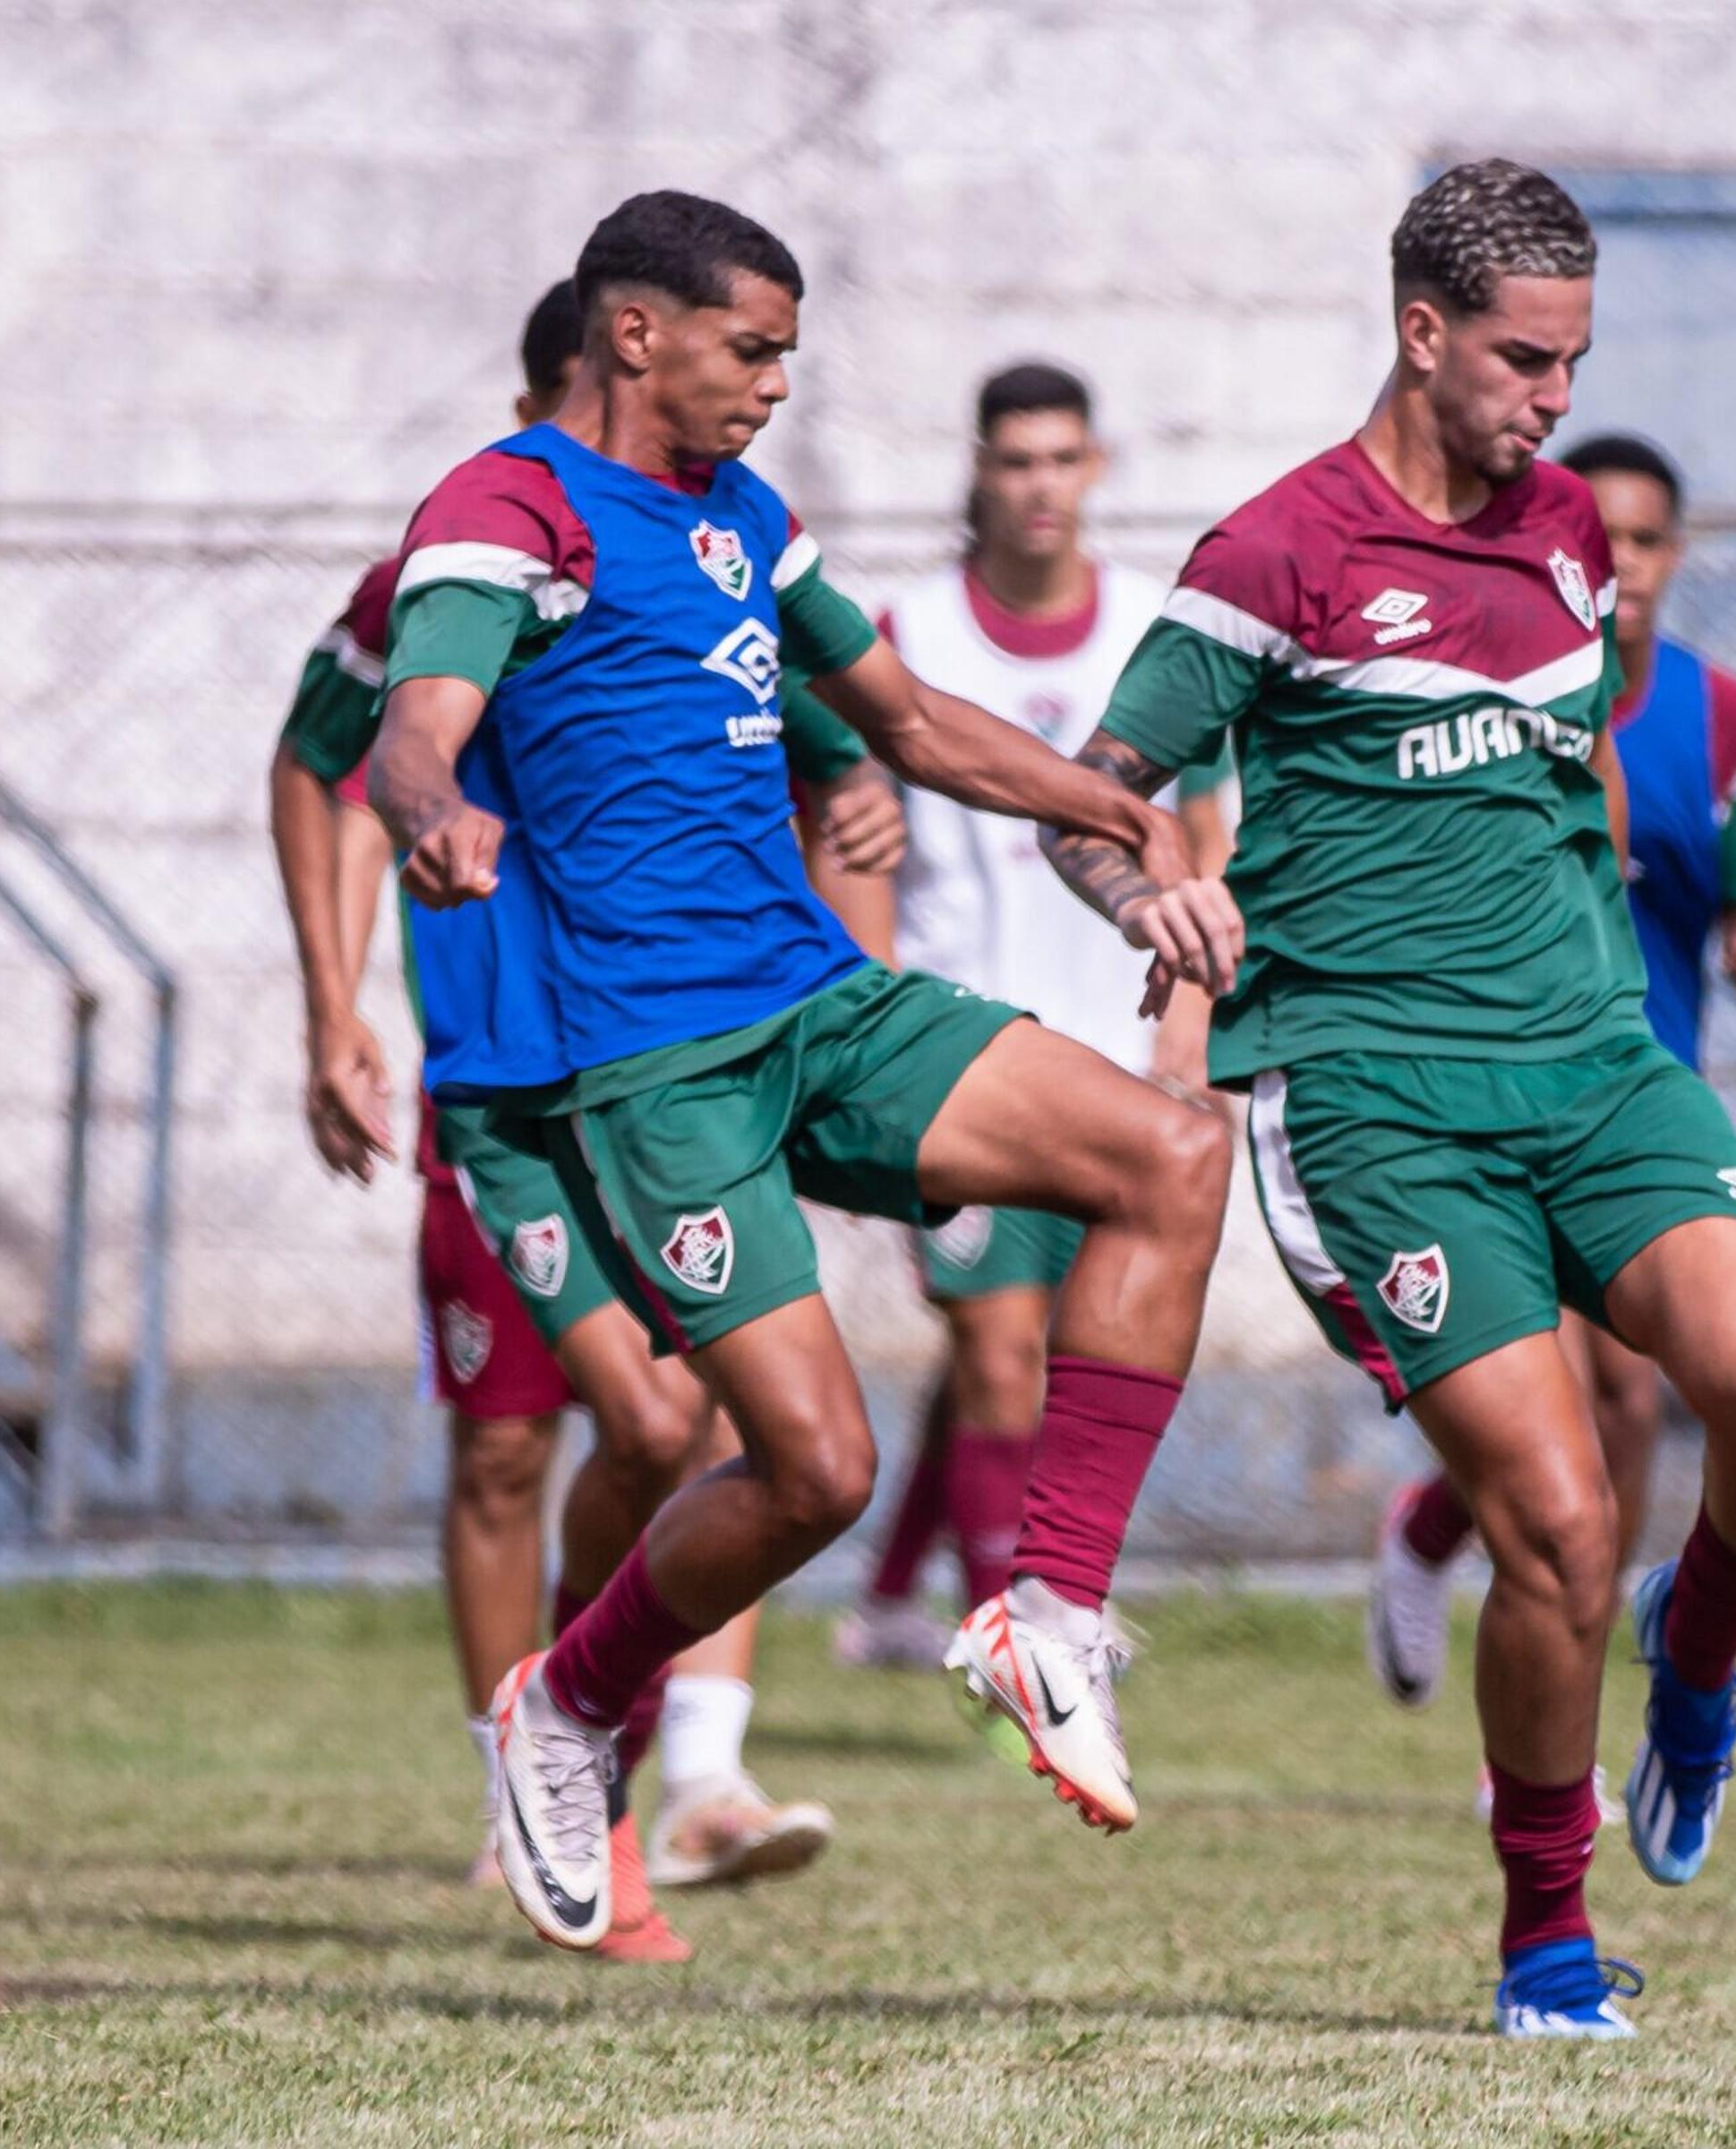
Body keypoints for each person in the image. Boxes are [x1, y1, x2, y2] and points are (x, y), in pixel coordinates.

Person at [363, 193, 1237, 1956]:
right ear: (634, 335)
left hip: (823, 1001)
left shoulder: (749, 517)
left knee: (1171, 1154)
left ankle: (1045, 1606)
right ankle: (569, 1705)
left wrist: (1122, 811)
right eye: (750, 347)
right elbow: (412, 727)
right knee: (813, 1471)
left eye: (787, 352)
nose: (775, 383)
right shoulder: (509, 507)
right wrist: (433, 807)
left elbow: (906, 724)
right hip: (653, 1068)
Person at [1052, 162, 1736, 2038]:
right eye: (1523, 360)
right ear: (1423, 332)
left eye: (1575, 362)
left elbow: (1575, 764)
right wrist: (1148, 885)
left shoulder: (1570, 531)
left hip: (1593, 1067)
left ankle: (1702, 1651)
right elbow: (1099, 788)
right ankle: (1546, 1947)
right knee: (1557, 1524)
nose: (1553, 401)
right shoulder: (1277, 556)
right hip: (1378, 1104)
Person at [264, 279, 890, 1963]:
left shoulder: (700, 565)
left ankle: (634, 1768)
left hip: (670, 1072)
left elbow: (848, 757)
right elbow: (322, 759)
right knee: (512, 1445)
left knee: (681, 1420)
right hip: (501, 1093)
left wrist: (843, 989)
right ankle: (542, 1774)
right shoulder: (455, 567)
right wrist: (335, 1007)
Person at [1366, 430, 1736, 1800]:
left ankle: (1462, 1556)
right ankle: (1532, 1717)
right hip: (1487, 1111)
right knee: (1549, 1410)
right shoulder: (1484, 692)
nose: (1624, 564)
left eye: (1650, 539)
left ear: (1677, 557)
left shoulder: (1716, 714)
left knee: (1629, 1403)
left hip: (1633, 1106)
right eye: (1600, 536)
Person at [834, 359, 1231, 1672]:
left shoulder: (1146, 632)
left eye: (1063, 459)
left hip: (1117, 1052)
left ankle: (899, 1600)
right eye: (1015, 461)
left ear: (1095, 469)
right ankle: (1020, 1646)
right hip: (965, 1054)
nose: (1039, 486)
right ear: (980, 471)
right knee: (1003, 1354)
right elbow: (858, 833)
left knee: (1049, 1352)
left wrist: (1191, 1032)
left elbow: (1206, 825)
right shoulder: (913, 634)